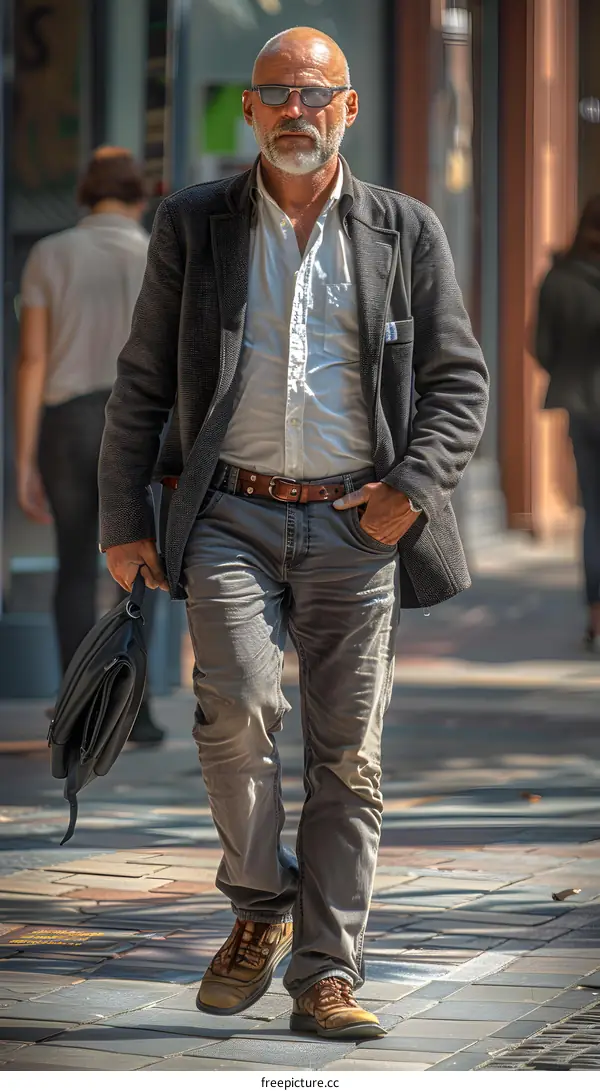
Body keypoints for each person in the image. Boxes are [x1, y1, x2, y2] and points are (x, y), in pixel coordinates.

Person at [99, 28, 488, 1038]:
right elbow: (141, 383)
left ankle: (326, 974)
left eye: (314, 95)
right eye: (276, 94)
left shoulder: (405, 229)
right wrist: (121, 519)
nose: (295, 111)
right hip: (230, 510)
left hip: (358, 525)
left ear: (348, 109)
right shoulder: (196, 224)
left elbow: (460, 384)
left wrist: (409, 490)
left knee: (347, 757)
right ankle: (261, 901)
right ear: (250, 111)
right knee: (232, 704)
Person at [16, 146, 165, 744]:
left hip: (69, 421)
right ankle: (138, 711)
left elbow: (31, 361)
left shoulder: (50, 254)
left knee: (76, 567)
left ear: (85, 195)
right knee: (143, 567)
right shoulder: (157, 253)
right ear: (139, 197)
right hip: (144, 421)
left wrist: (24, 457)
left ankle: (77, 710)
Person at [535, 196, 600, 653]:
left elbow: (541, 346)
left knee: (593, 514)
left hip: (582, 407)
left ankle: (596, 616)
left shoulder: (558, 278)